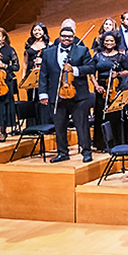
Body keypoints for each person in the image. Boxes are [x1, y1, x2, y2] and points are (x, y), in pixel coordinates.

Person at [40, 26, 96, 163]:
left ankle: (86, 152)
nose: (66, 38)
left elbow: (91, 67)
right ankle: (62, 152)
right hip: (57, 95)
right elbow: (43, 74)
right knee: (59, 126)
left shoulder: (82, 50)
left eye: (69, 36)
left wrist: (74, 69)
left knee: (81, 125)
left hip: (79, 96)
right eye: (64, 36)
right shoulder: (48, 52)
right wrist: (43, 93)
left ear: (73, 37)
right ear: (59, 37)